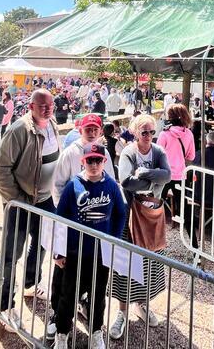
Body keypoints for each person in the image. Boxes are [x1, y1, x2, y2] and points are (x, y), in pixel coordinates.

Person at [0, 89, 60, 327]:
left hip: (45, 200)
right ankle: (2, 304)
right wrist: (17, 199)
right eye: (42, 105)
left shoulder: (52, 123)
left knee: (43, 244)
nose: (47, 108)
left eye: (50, 104)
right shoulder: (19, 130)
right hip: (21, 202)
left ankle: (31, 284)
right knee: (11, 254)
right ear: (30, 106)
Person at [51, 144, 128, 349]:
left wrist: (113, 239)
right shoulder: (72, 186)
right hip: (75, 253)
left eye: (98, 160)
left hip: (100, 255)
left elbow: (121, 213)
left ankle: (95, 332)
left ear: (104, 162)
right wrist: (58, 252)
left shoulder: (111, 185)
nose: (93, 165)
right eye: (90, 160)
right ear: (82, 161)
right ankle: (61, 334)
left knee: (98, 294)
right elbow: (61, 218)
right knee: (68, 295)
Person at [110, 114, 171, 340]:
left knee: (150, 262)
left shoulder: (158, 151)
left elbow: (169, 175)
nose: (148, 136)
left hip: (151, 213)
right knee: (126, 263)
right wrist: (155, 178)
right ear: (135, 133)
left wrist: (144, 173)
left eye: (151, 132)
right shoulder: (128, 152)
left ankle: (142, 303)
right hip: (130, 215)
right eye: (143, 132)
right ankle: (122, 312)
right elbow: (126, 181)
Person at [52, 114, 115, 206]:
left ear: (100, 132)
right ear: (81, 131)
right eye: (88, 129)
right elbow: (58, 183)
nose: (92, 133)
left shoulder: (104, 153)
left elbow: (111, 181)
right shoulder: (70, 152)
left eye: (95, 130)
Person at [156, 104, 195, 221]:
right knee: (185, 210)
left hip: (164, 175)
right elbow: (191, 156)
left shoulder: (164, 134)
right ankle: (192, 238)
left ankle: (155, 236)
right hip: (181, 175)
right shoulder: (189, 134)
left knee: (156, 207)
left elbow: (157, 155)